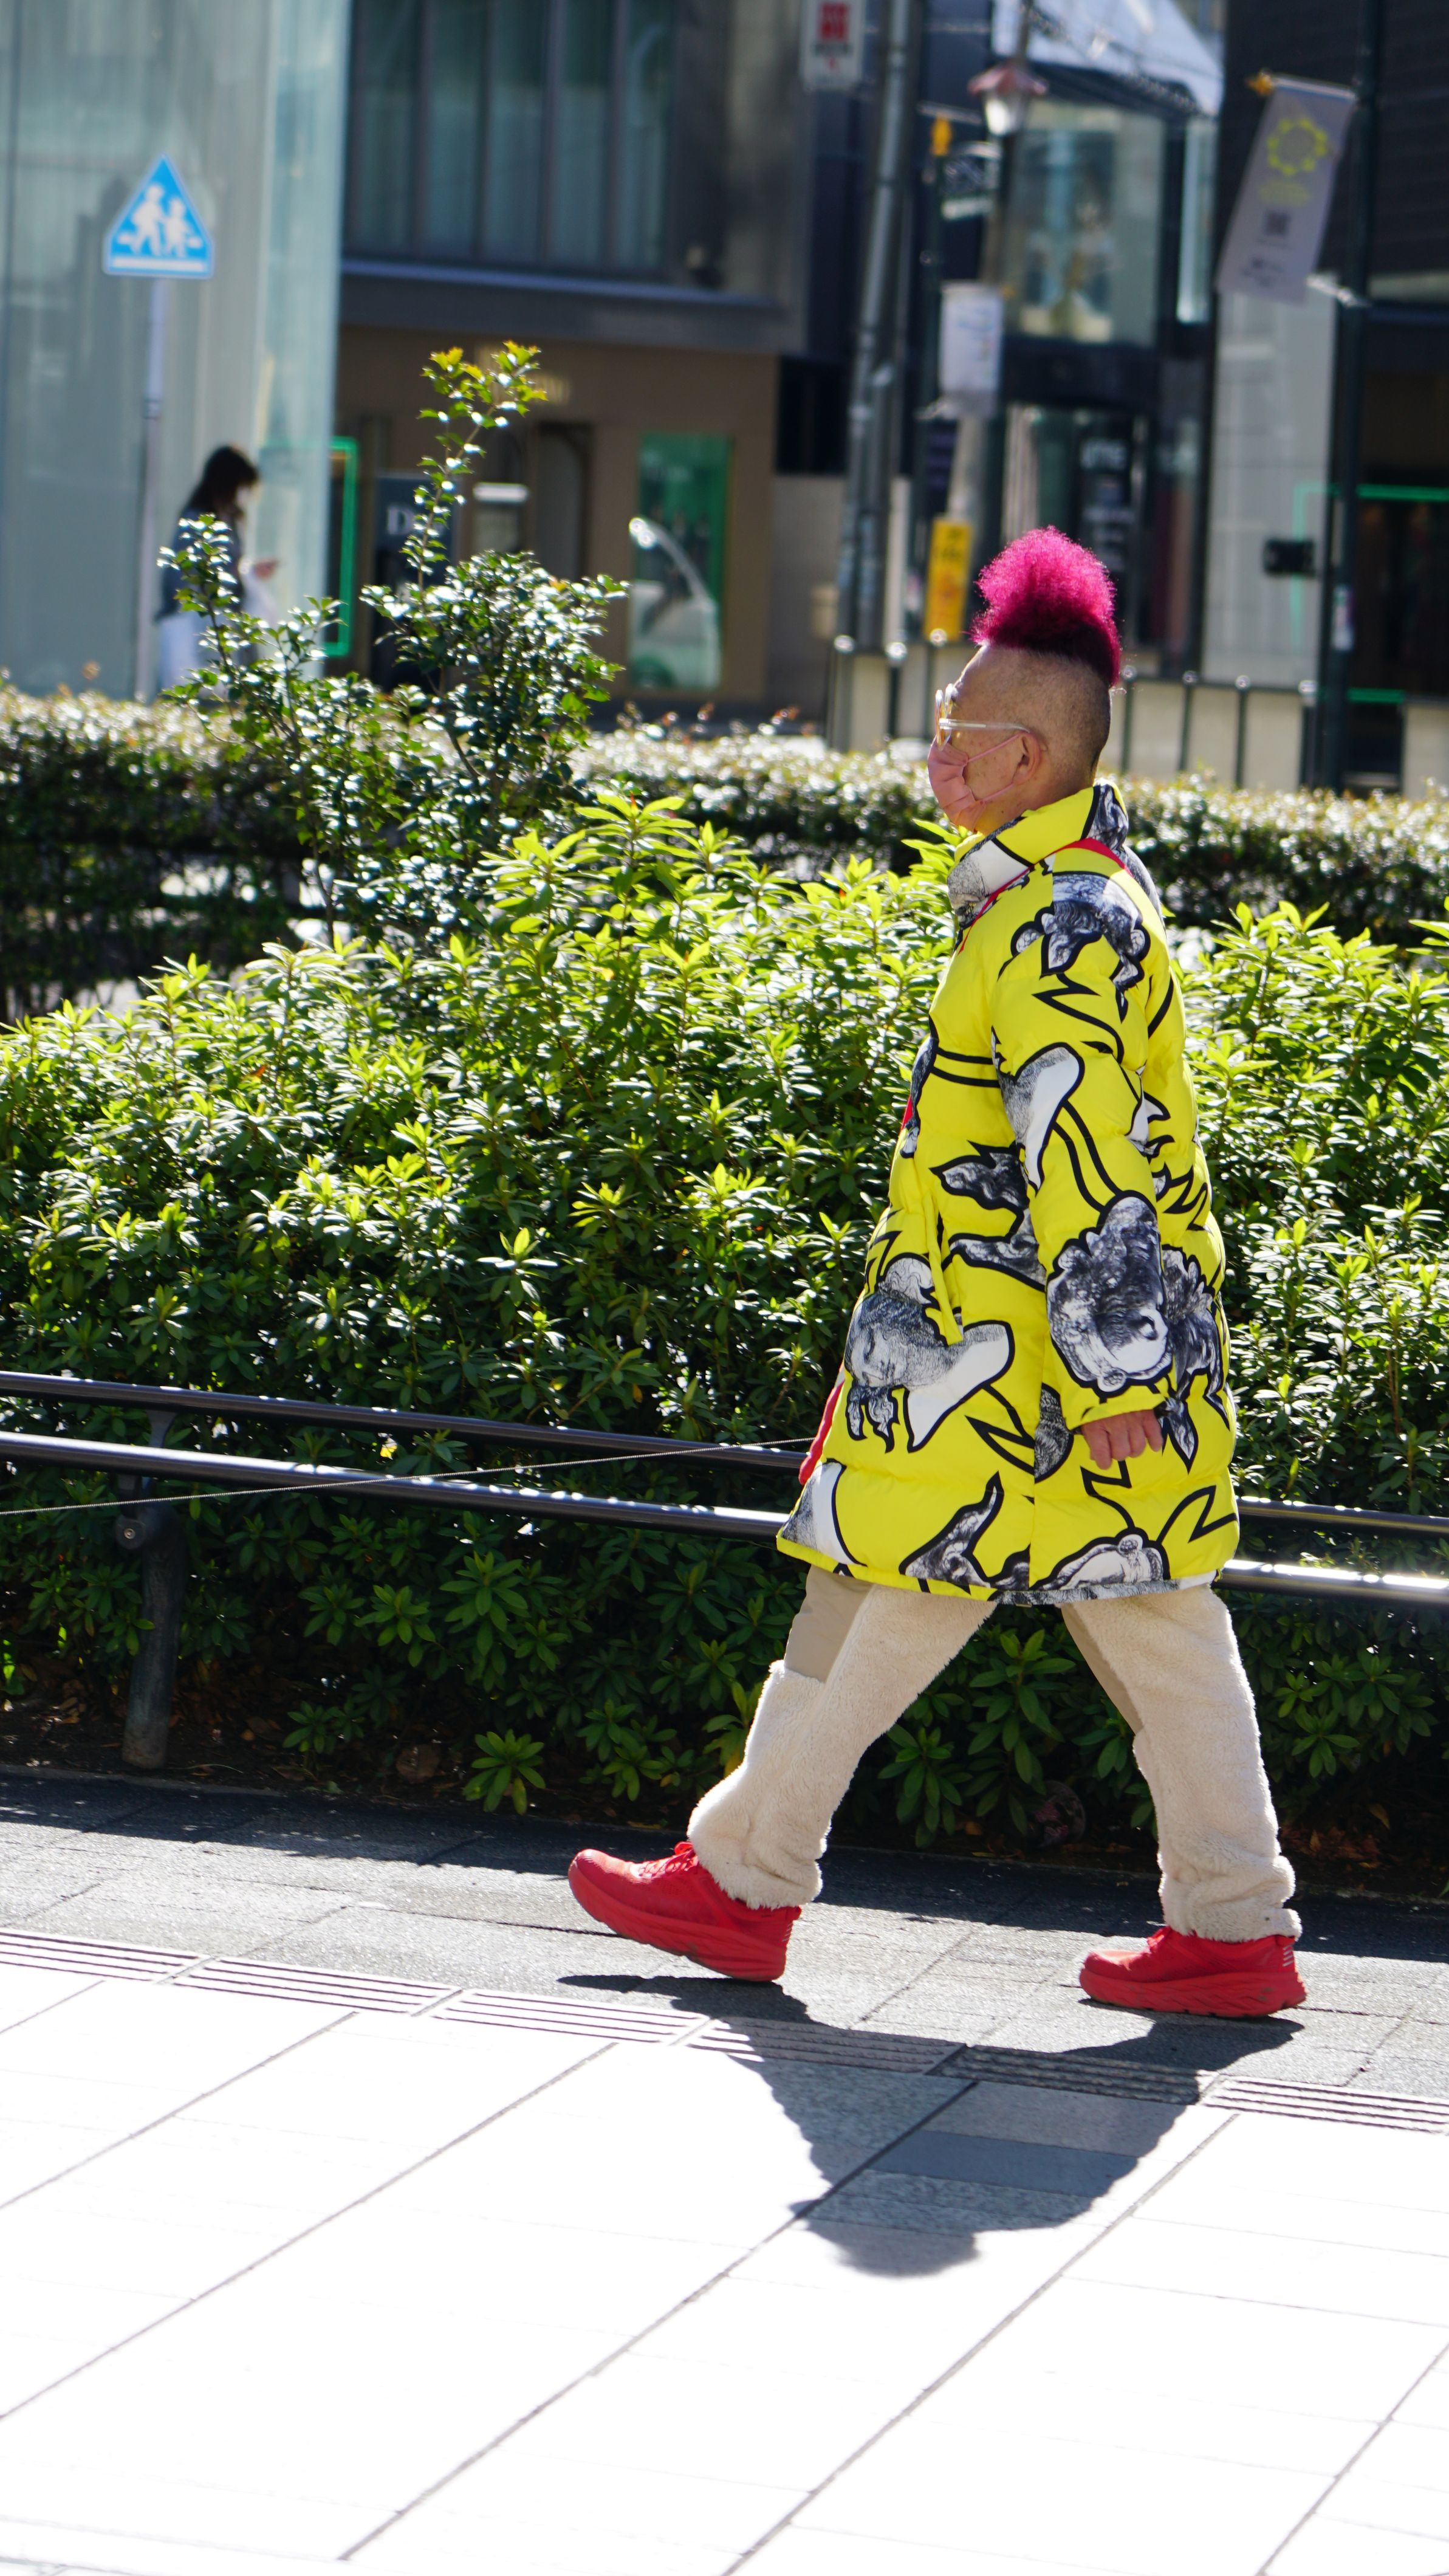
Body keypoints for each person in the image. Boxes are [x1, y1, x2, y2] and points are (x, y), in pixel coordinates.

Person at [569, 526, 1305, 2022]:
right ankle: (1229, 1924)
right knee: (1143, 1620)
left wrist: (1114, 1374)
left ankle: (745, 1880)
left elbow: (1081, 1155)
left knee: (901, 1589)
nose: (934, 751)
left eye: (956, 727)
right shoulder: (1060, 897)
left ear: (1025, 754)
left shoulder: (1057, 919)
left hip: (1017, 1370)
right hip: (1022, 1357)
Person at [156, 445, 276, 692]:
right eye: (241, 486)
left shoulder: (226, 518)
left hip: (223, 625)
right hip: (204, 626)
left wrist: (249, 571)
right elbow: (181, 575)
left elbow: (227, 568)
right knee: (204, 691)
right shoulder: (198, 520)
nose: (242, 495)